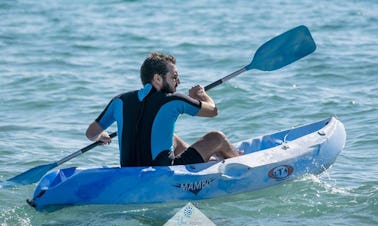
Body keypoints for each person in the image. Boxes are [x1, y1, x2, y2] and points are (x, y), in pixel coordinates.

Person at [86, 52, 239, 167]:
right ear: (157, 79)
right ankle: (242, 162)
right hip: (164, 173)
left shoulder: (119, 100)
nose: (178, 82)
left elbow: (91, 133)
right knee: (217, 137)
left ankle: (208, 160)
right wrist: (201, 95)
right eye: (174, 77)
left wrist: (101, 136)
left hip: (129, 171)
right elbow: (213, 111)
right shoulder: (174, 99)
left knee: (171, 137)